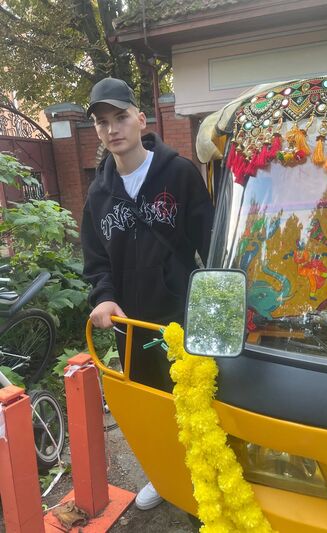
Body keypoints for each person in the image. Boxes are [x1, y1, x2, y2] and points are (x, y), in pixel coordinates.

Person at [81, 77, 214, 510]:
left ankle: (206, 477)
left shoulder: (179, 173)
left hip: (180, 316)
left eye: (120, 117)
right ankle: (164, 475)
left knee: (193, 399)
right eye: (102, 122)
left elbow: (210, 243)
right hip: (131, 324)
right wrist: (103, 296)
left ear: (140, 119)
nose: (112, 129)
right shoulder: (98, 194)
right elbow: (96, 260)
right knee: (148, 404)